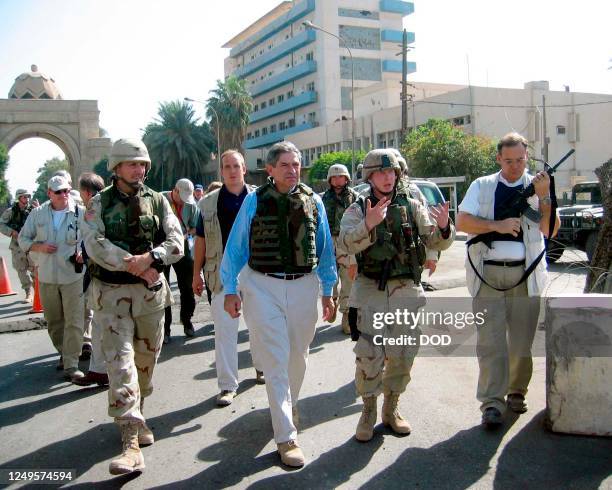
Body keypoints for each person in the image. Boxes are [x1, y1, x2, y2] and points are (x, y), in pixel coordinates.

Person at [220, 141, 337, 468]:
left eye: (296, 164)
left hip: (304, 286)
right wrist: (230, 288)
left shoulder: (314, 202)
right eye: (284, 164)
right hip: (263, 286)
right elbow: (236, 247)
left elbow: (325, 248)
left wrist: (328, 289)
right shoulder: (254, 201)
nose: (292, 170)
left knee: (298, 355)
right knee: (275, 358)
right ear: (270, 170)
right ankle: (285, 436)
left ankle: (290, 403)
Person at [82, 138, 183, 475]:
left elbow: (176, 241)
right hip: (111, 298)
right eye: (132, 164)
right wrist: (131, 262)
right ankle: (130, 443)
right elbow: (95, 245)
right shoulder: (98, 205)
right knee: (121, 366)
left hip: (150, 298)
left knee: (144, 365)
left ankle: (140, 415)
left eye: (142, 164)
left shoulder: (159, 201)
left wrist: (152, 257)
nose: (139, 169)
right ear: (116, 168)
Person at [339, 149, 454, 442]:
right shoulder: (358, 207)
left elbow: (435, 241)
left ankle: (391, 408)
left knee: (403, 351)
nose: (388, 177)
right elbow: (346, 243)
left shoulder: (412, 205)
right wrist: (369, 223)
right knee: (369, 353)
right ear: (370, 176)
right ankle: (368, 411)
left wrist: (443, 227)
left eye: (392, 172)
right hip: (370, 288)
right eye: (381, 172)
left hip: (405, 289)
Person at [456, 132, 559, 428]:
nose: (514, 166)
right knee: (490, 343)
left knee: (522, 343)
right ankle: (491, 402)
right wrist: (497, 225)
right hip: (487, 273)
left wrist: (544, 197)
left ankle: (516, 392)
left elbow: (549, 230)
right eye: (508, 160)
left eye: (520, 160)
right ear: (499, 158)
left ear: (527, 157)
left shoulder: (538, 186)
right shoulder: (483, 186)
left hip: (525, 275)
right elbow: (462, 222)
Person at [192, 149, 264, 407]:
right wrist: (195, 275)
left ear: (244, 169)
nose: (232, 170)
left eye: (236, 166)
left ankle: (260, 367)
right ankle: (227, 385)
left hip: (257, 272)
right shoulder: (208, 203)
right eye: (227, 166)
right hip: (222, 274)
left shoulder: (260, 198)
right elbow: (200, 241)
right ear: (221, 171)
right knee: (224, 332)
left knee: (259, 326)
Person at [18, 176, 86, 382]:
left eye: (66, 190)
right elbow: (23, 238)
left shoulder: (79, 212)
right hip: (46, 275)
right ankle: (63, 352)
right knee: (54, 321)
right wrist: (39, 247)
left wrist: (84, 252)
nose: (63, 195)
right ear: (49, 193)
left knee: (74, 321)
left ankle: (71, 363)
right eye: (58, 192)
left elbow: (92, 238)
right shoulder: (37, 214)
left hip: (73, 276)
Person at [73, 172, 109, 387]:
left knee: (104, 325)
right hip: (96, 274)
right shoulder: (102, 205)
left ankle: (103, 371)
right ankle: (98, 370)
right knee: (98, 324)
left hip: (105, 275)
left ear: (85, 192)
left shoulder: (98, 209)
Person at [320, 163, 358, 333]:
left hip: (347, 241)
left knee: (348, 277)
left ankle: (347, 314)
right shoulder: (322, 198)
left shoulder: (355, 197)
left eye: (340, 176)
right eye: (334, 177)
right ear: (329, 179)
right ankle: (332, 301)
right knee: (330, 275)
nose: (337, 180)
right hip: (328, 242)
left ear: (347, 178)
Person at [162, 178, 198, 343]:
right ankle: (165, 329)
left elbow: (195, 226)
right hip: (162, 249)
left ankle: (187, 320)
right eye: (181, 196)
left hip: (182, 248)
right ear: (174, 190)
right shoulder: (160, 200)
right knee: (163, 288)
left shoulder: (191, 205)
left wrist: (186, 233)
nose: (184, 201)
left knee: (187, 287)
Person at [0, 188, 37, 302]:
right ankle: (28, 292)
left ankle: (38, 294)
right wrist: (11, 232)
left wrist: (37, 210)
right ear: (19, 198)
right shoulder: (11, 211)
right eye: (24, 197)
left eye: (27, 197)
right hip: (17, 245)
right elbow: (1, 224)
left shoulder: (34, 210)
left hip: (31, 244)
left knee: (35, 269)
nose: (26, 199)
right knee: (21, 270)